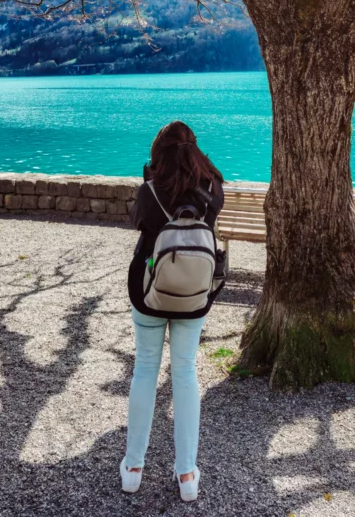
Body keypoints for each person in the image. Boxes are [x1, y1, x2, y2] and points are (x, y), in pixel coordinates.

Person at [121, 121, 225, 502]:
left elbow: (139, 223)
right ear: (194, 149)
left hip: (149, 290)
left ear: (158, 154)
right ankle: (187, 476)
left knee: (145, 369)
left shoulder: (150, 190)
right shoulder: (212, 188)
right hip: (195, 294)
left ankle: (133, 468)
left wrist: (149, 179)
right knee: (185, 372)